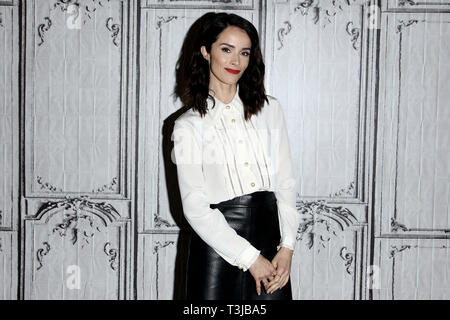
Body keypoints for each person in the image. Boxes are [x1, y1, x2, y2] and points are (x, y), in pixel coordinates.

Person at [172, 12, 301, 300]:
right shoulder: (188, 126)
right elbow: (195, 208)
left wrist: (287, 247)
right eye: (226, 50)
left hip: (271, 237)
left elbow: (285, 183)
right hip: (216, 244)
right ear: (206, 52)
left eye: (244, 53)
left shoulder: (270, 111)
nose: (236, 61)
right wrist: (250, 259)